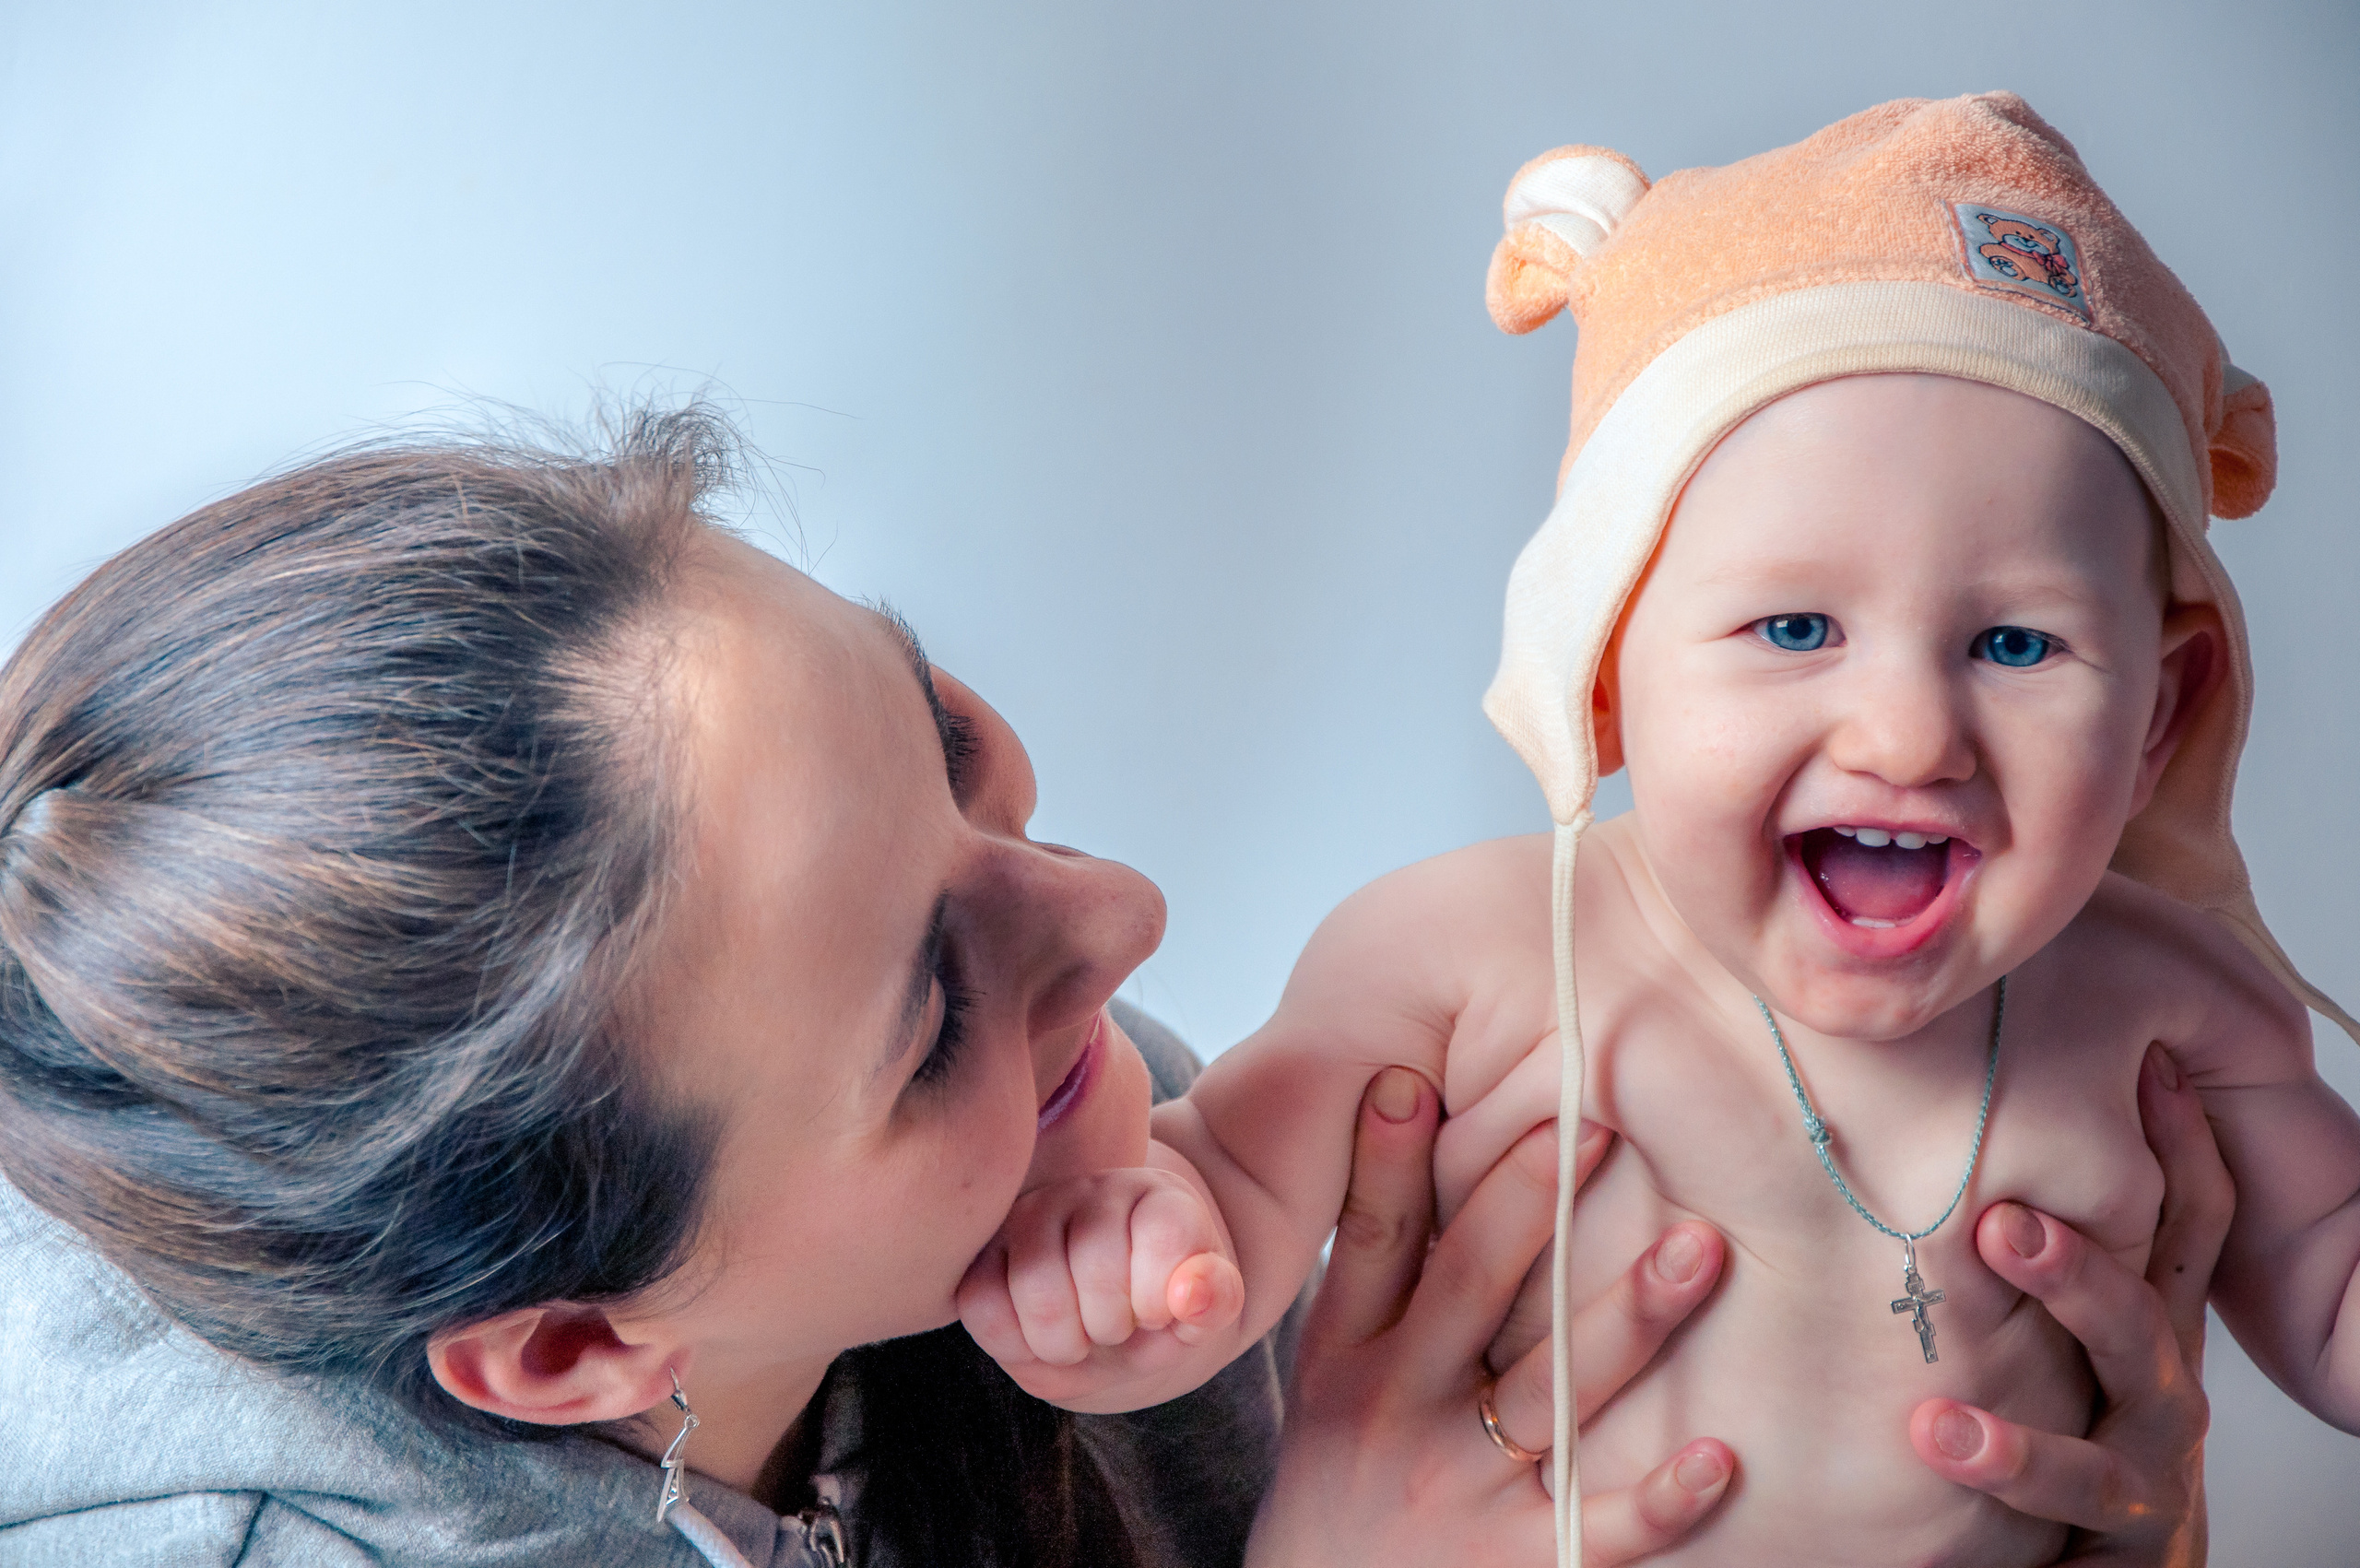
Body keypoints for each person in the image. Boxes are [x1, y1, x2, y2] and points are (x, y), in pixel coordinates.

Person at [0, 408, 2215, 1567]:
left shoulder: (1078, 1180)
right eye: (933, 1010)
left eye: (940, 736)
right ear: (578, 1348)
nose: (1119, 915)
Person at [950, 95, 2360, 1566]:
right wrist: (1130, 1268)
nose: (1907, 735)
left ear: (2156, 714)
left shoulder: (2177, 1012)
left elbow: (2333, 1284)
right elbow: (1228, 1203)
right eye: (1796, 625)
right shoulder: (1457, 965)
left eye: (2015, 644)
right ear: (1608, 665)